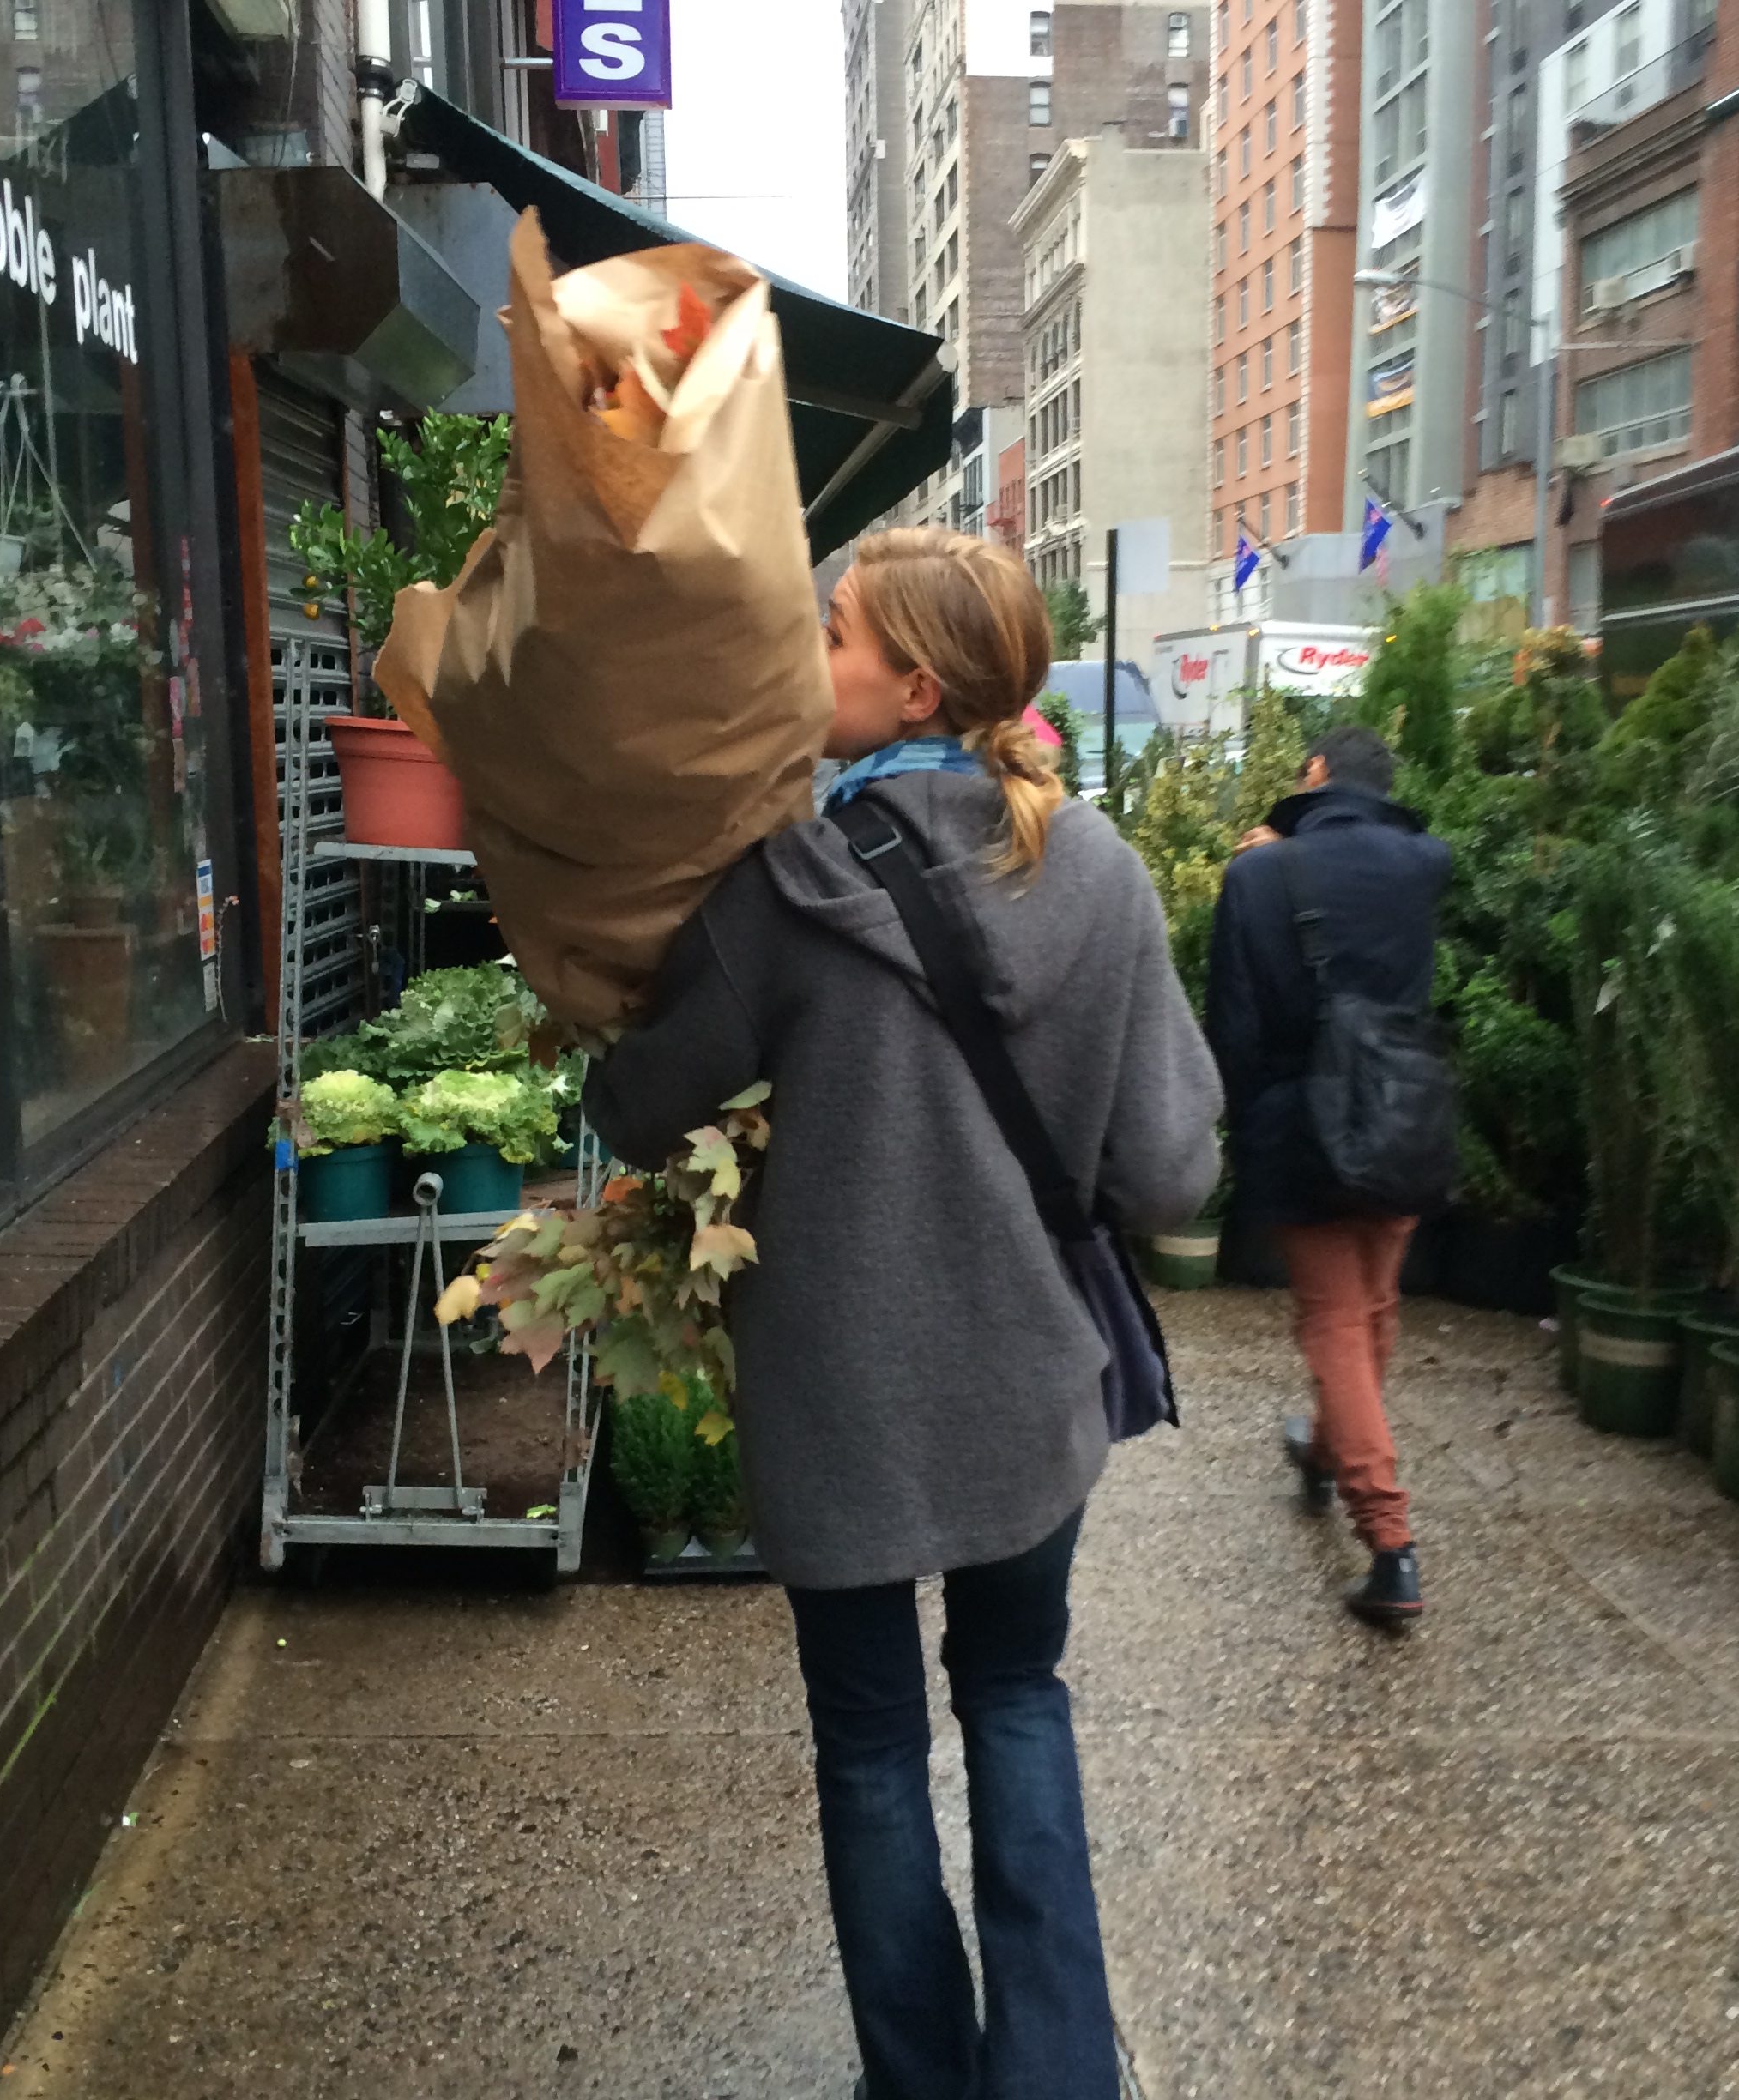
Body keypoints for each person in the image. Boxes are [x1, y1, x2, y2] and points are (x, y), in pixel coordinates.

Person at [584, 528, 1221, 2100]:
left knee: (867, 1743)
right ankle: (1060, 2076)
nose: (807, 659)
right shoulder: (1095, 870)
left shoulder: (781, 879)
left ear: (913, 682)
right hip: (1025, 1384)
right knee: (1016, 1694)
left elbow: (635, 1107)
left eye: (833, 634)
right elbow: (1163, 1175)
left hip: (838, 1392)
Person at [1204, 724, 1451, 1627]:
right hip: (1401, 1112)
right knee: (1373, 1310)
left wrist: (1234, 1129)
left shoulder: (1256, 876)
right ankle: (1324, 1449)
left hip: (1300, 1123)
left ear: (1314, 774)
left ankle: (1390, 1544)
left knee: (1334, 1322)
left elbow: (1233, 1019)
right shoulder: (1427, 862)